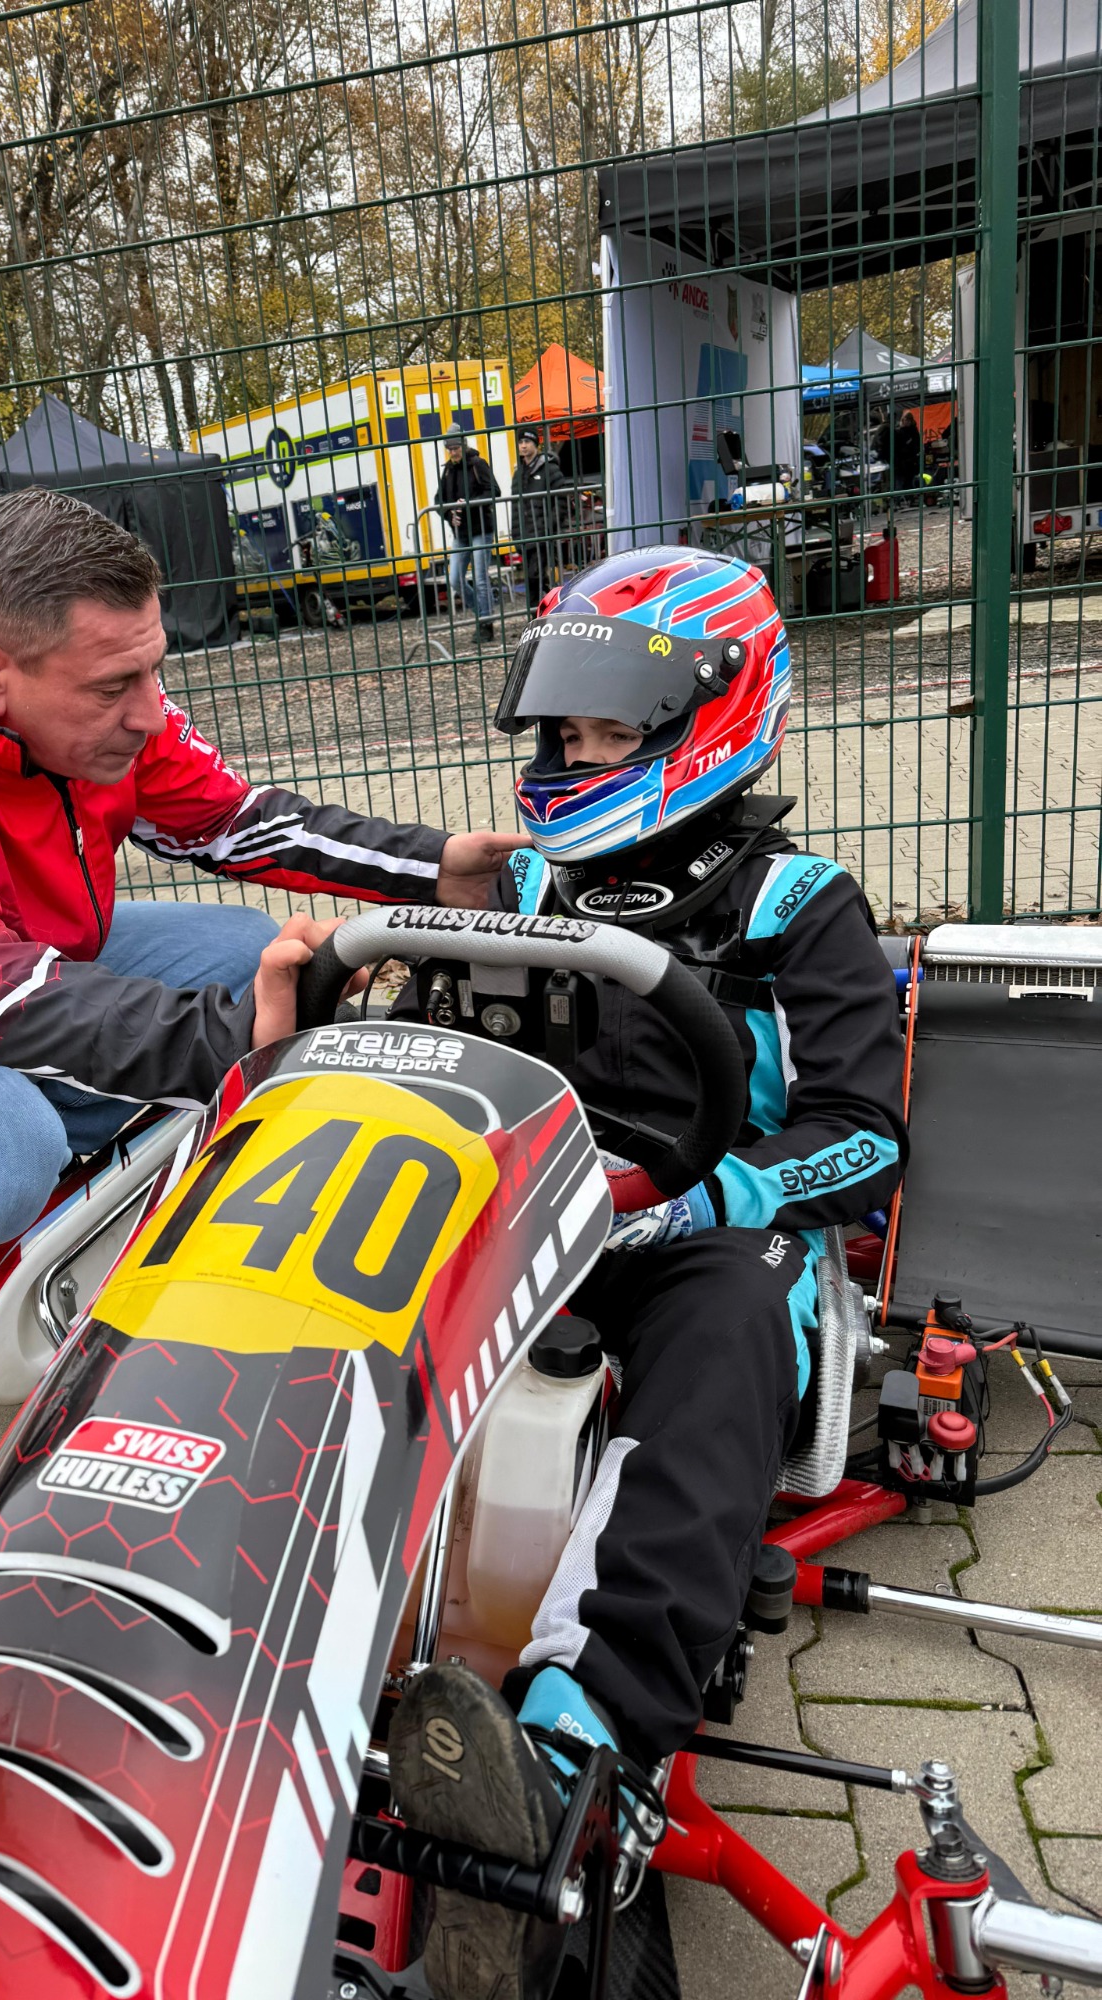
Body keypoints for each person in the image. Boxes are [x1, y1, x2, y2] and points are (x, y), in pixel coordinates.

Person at [0, 488, 524, 1412]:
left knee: (246, 956)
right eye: (115, 687)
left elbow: (226, 819)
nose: (150, 714)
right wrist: (226, 1043)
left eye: (153, 670)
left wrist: (432, 869)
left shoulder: (77, 672)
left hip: (0, 947)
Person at [387, 547, 908, 2000]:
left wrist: (703, 1198)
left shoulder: (796, 903)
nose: (572, 754)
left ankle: (575, 1748)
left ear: (713, 715)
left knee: (731, 1325)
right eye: (561, 727)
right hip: (527, 1211)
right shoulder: (530, 881)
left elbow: (866, 1134)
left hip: (710, 1235)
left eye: (609, 727)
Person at [437, 424, 500, 640]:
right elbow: (439, 500)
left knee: (480, 578)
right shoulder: (447, 470)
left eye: (455, 448)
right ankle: (483, 614)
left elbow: (494, 491)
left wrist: (469, 504)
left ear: (464, 445)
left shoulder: (477, 464)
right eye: (449, 449)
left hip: (481, 528)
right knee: (455, 579)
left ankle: (486, 624)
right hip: (460, 533)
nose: (453, 452)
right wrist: (449, 514)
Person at [509, 425, 570, 611]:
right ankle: (542, 612)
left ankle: (540, 614)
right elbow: (516, 507)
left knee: (535, 576)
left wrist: (547, 527)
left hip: (542, 535)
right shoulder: (519, 473)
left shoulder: (549, 469)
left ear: (536, 444)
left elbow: (561, 500)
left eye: (527, 441)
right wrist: (516, 534)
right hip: (525, 535)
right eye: (521, 442)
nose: (523, 445)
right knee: (533, 579)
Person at [894, 408, 923, 498]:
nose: (905, 422)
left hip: (909, 461)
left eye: (906, 420)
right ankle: (903, 498)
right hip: (903, 462)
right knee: (902, 482)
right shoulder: (900, 432)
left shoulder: (912, 431)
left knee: (908, 481)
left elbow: (917, 445)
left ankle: (907, 497)